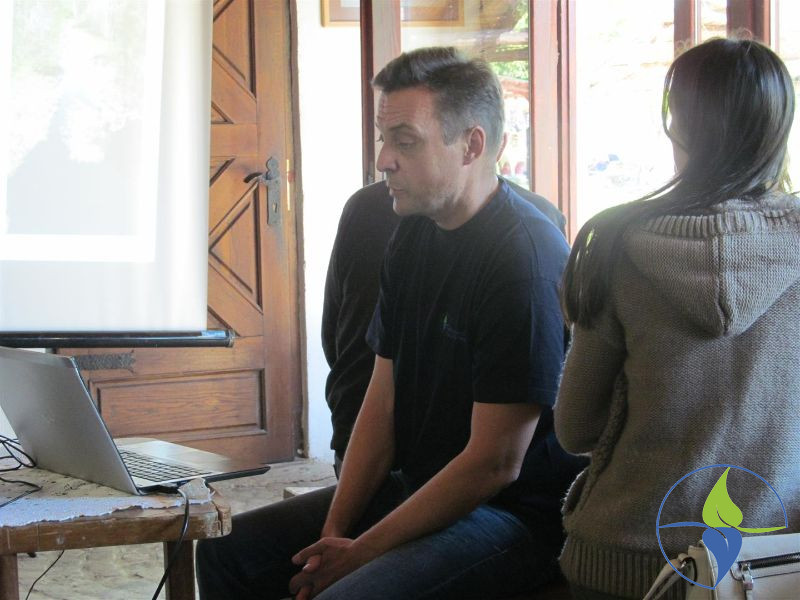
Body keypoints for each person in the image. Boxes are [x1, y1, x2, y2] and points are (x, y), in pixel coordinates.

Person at [197, 46, 585, 599]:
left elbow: (495, 463)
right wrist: (334, 532)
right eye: (384, 139)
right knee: (225, 550)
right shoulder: (414, 230)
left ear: (471, 145)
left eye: (405, 142)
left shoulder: (523, 259)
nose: (383, 160)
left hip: (512, 516)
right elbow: (381, 402)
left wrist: (360, 554)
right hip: (421, 482)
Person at [554, 38, 800, 600]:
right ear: (778, 130)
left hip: (621, 560)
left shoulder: (614, 243)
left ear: (680, 126)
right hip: (770, 570)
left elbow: (576, 428)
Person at [322, 178, 565, 477]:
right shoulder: (403, 226)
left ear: (473, 151)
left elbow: (496, 463)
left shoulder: (530, 241)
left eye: (408, 149)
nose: (385, 161)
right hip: (374, 436)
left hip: (472, 468)